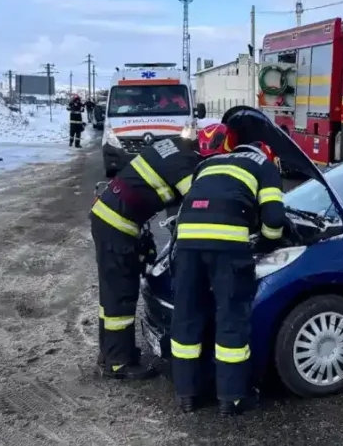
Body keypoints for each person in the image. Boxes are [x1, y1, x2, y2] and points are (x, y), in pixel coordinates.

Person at [90, 124, 225, 380]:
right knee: (121, 295)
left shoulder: (175, 145)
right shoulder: (187, 166)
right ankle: (119, 364)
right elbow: (198, 204)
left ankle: (110, 353)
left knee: (111, 294)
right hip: (118, 224)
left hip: (113, 219)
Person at [169, 131, 288, 416]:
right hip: (227, 246)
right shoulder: (264, 166)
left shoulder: (209, 164)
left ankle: (186, 393)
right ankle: (231, 398)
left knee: (186, 315)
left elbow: (186, 204)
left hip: (186, 242)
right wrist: (269, 241)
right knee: (231, 317)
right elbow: (274, 219)